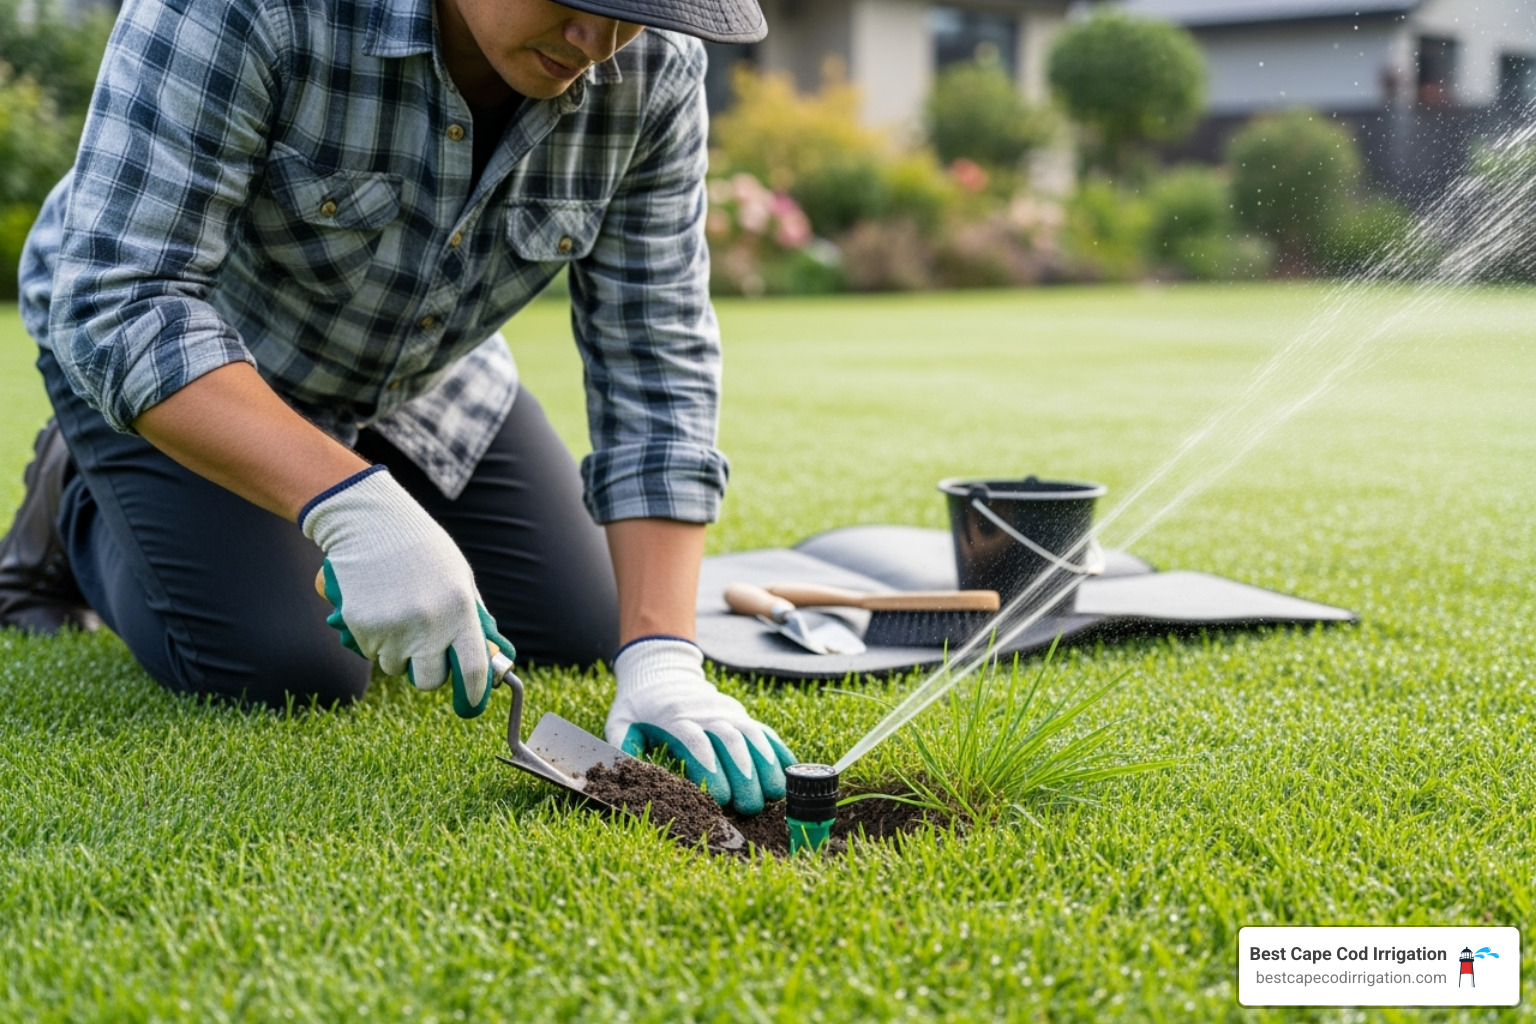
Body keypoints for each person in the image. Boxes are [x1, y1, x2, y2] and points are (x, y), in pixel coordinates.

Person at [0, 0, 796, 814]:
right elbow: (120, 302)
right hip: (186, 360)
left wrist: (663, 657)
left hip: (417, 373)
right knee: (289, 667)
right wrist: (354, 507)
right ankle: (75, 490)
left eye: (634, 10)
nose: (598, 44)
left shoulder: (653, 65)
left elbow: (653, 354)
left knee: (589, 627)